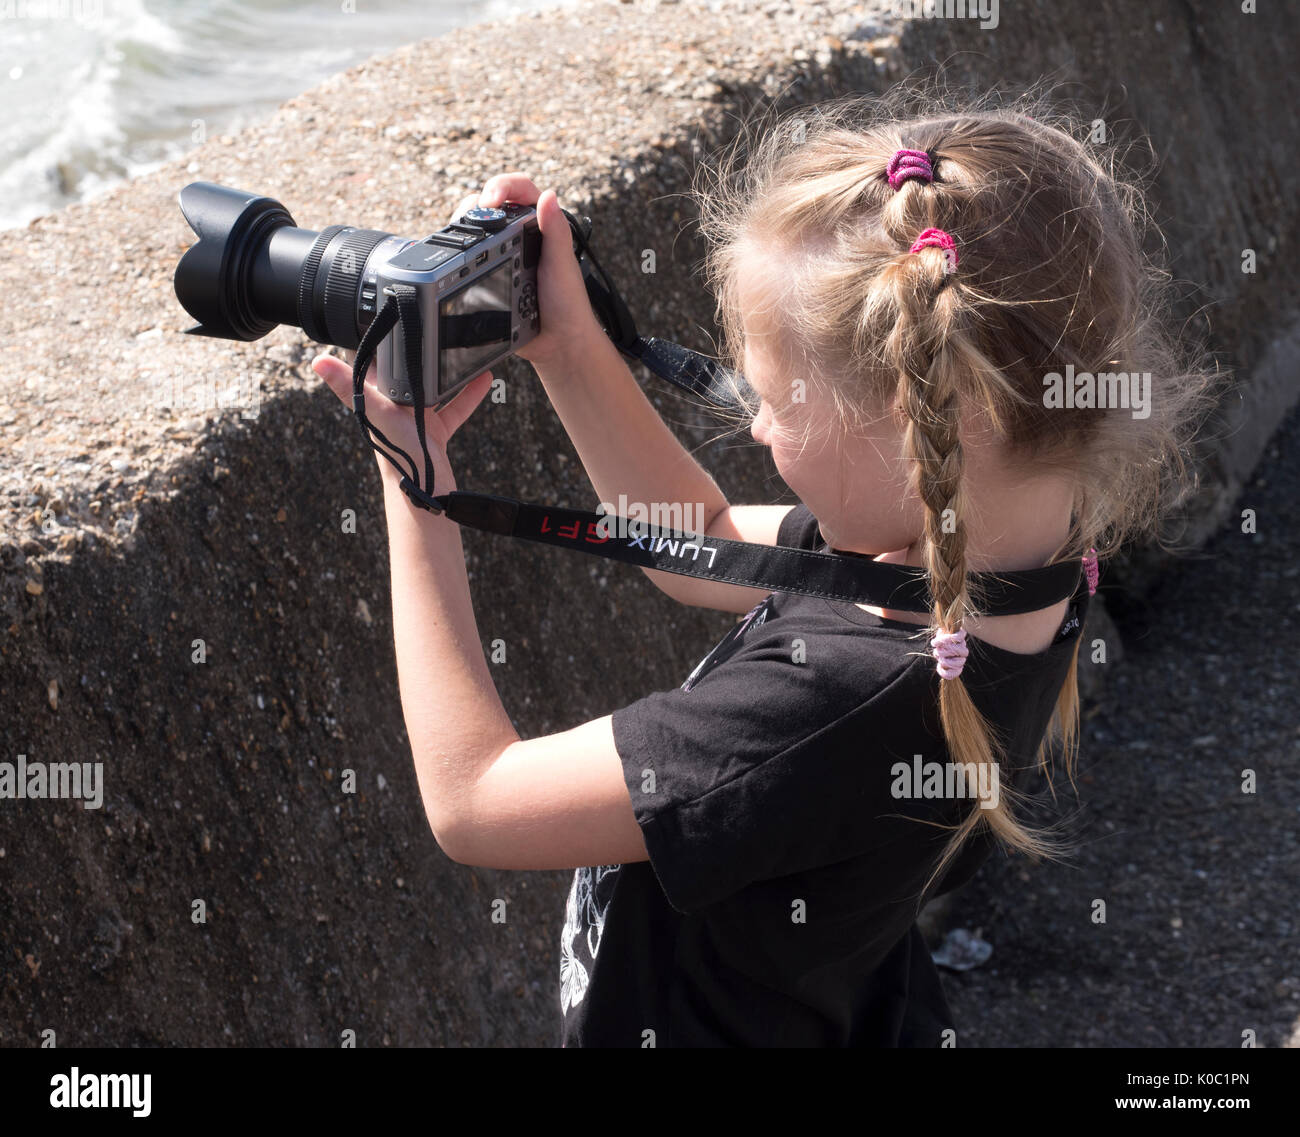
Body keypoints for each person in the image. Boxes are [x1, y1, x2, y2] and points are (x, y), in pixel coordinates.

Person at [310, 89, 1217, 1047]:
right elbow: (693, 536)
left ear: (920, 429)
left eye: (778, 399)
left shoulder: (831, 699)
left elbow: (477, 801)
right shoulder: (1005, 550)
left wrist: (414, 485)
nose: (755, 421)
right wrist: (569, 346)